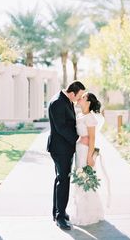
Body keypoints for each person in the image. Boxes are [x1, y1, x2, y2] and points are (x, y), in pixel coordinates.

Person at [47, 81, 86, 230]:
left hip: (64, 148)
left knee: (60, 179)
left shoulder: (66, 99)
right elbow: (61, 127)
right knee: (63, 180)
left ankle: (58, 211)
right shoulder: (58, 102)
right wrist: (78, 139)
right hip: (60, 148)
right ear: (72, 93)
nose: (80, 98)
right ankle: (60, 217)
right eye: (80, 95)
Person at [70, 92, 104, 226]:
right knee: (79, 179)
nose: (80, 98)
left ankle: (88, 214)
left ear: (89, 102)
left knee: (85, 179)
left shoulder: (90, 118)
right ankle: (79, 211)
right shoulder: (79, 115)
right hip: (78, 151)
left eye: (83, 97)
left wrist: (90, 157)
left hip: (85, 152)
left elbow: (92, 138)